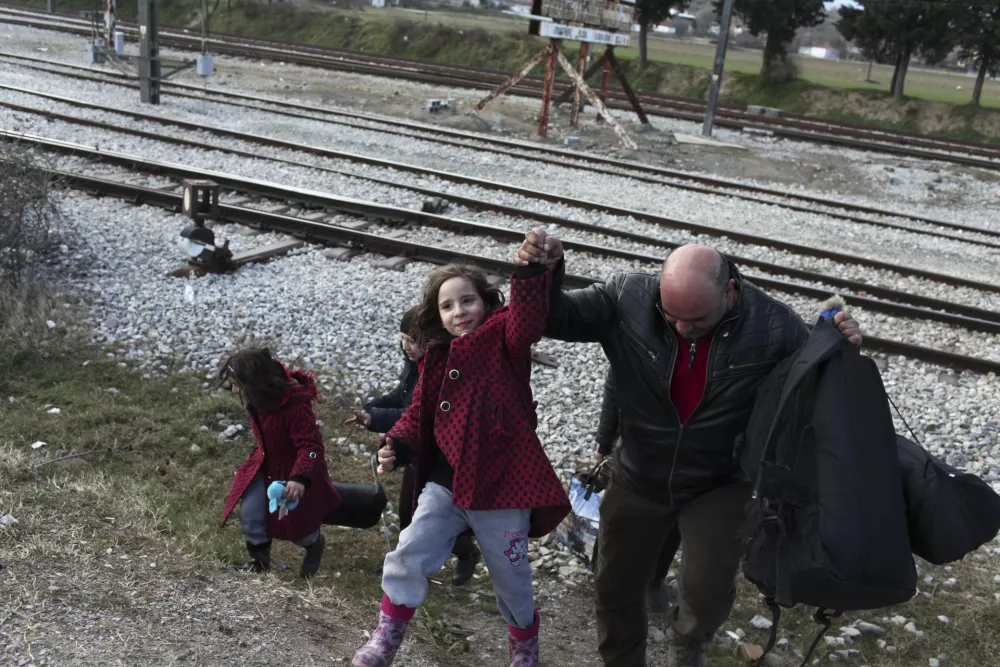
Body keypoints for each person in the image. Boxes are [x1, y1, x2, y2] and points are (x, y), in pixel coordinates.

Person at [515, 230, 861, 667]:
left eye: (696, 320)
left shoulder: (774, 326)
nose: (682, 328)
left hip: (719, 481)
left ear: (730, 292)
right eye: (671, 316)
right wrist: (541, 273)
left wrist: (839, 346)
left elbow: (812, 390)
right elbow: (554, 317)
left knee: (708, 587)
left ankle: (690, 642)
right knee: (614, 584)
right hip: (639, 471)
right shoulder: (627, 296)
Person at [351, 263, 570, 667]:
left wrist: (531, 271)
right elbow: (418, 413)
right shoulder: (435, 358)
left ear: (486, 303)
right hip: (447, 482)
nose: (460, 312)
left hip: (505, 485)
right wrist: (395, 444)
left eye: (468, 300)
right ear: (438, 316)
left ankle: (524, 645)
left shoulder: (507, 340)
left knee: (511, 577)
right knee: (410, 549)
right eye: (448, 305)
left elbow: (526, 319)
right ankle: (386, 635)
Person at [344, 307, 481, 586]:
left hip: (443, 458)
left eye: (414, 339)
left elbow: (420, 416)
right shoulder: (415, 362)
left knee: (430, 518)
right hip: (416, 451)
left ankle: (466, 554)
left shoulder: (442, 369)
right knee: (408, 515)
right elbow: (402, 396)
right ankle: (416, 568)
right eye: (403, 337)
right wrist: (372, 409)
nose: (407, 346)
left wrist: (374, 419)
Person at [219, 348, 341, 578]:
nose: (235, 390)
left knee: (298, 529)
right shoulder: (258, 399)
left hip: (295, 473)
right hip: (265, 466)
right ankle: (259, 565)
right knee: (251, 513)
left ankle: (315, 544)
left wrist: (300, 478)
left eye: (238, 385)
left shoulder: (295, 405)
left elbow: (312, 448)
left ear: (255, 383)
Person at [595, 369, 681, 614]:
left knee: (672, 519)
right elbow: (615, 384)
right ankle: (607, 573)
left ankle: (655, 577)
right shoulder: (637, 334)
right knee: (616, 514)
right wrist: (604, 442)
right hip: (633, 446)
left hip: (687, 452)